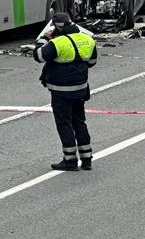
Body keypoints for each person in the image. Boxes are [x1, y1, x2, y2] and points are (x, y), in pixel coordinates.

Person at [34, 11, 98, 172]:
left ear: (56, 27)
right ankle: (86, 158)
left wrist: (44, 39)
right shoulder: (87, 39)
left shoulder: (58, 43)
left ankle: (70, 160)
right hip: (81, 89)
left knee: (64, 123)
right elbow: (92, 62)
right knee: (79, 122)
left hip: (61, 91)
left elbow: (39, 56)